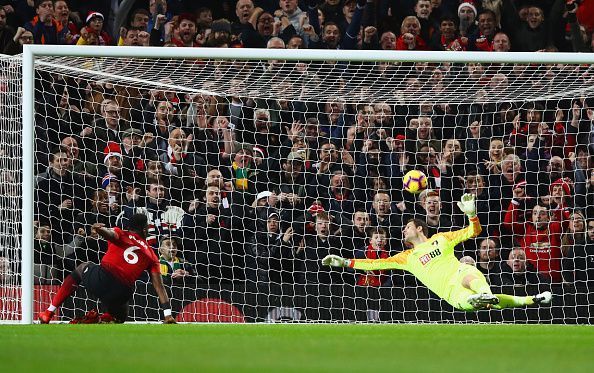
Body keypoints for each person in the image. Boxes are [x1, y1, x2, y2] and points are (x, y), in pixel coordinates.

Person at [322, 194, 552, 311]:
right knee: (472, 300)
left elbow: (474, 231)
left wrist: (472, 213)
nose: (403, 230)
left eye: (407, 227)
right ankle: (516, 298)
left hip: (460, 273)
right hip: (450, 293)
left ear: (419, 228)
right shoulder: (406, 257)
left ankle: (487, 294)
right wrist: (346, 262)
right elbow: (374, 265)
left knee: (472, 275)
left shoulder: (441, 238)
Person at [38, 214, 176, 324]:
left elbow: (110, 234)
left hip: (102, 279)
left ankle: (48, 313)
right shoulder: (152, 255)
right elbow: (159, 287)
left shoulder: (121, 233)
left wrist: (99, 229)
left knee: (81, 268)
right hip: (121, 293)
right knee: (120, 316)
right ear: (145, 230)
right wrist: (168, 315)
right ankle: (104, 318)